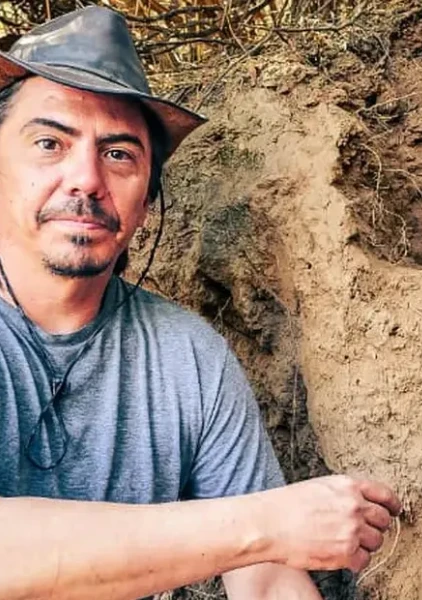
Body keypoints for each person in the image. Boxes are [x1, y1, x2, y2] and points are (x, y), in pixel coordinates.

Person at [0, 7, 400, 600]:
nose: (86, 178)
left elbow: (266, 576)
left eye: (119, 154)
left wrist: (272, 542)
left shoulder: (185, 356)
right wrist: (263, 524)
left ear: (147, 199)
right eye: (49, 143)